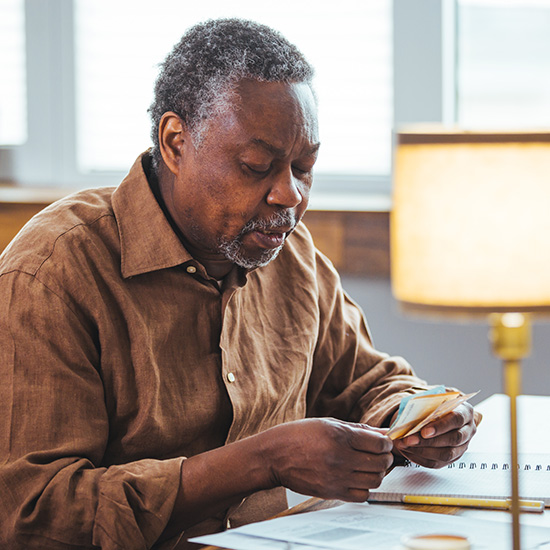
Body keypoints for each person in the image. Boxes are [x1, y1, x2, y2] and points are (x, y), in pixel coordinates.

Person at [0, 18, 478, 550]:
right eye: (257, 167)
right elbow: (32, 513)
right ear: (176, 142)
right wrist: (261, 462)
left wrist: (421, 416)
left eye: (304, 166)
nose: (290, 195)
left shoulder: (289, 252)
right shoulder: (54, 273)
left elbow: (365, 383)